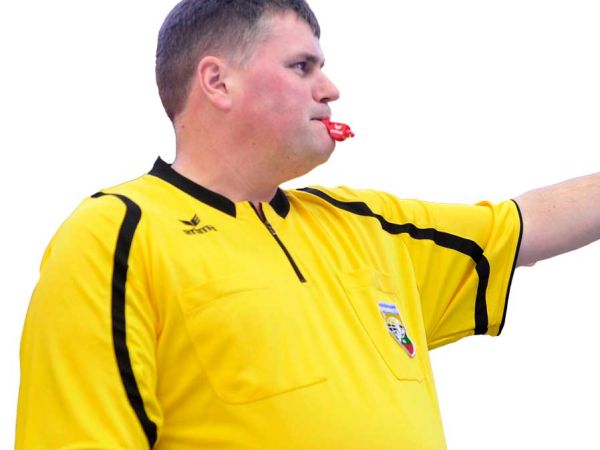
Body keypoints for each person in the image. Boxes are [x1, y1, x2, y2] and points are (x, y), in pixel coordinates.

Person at [15, 0, 600, 449]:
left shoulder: (367, 226)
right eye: (303, 67)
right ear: (217, 81)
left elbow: (526, 225)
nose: (330, 89)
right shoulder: (116, 235)